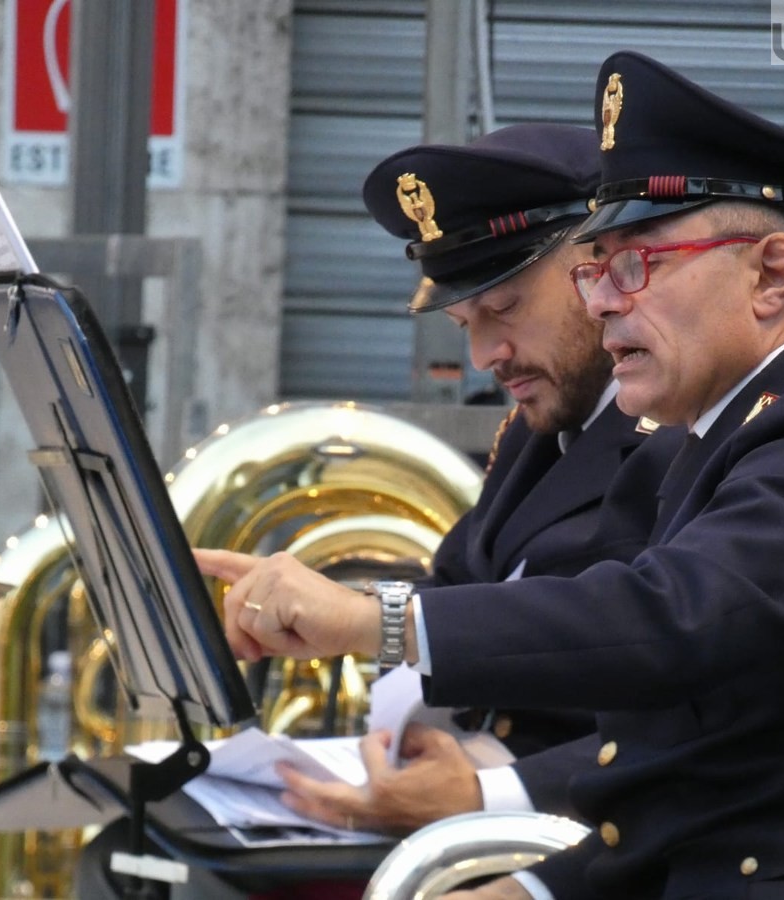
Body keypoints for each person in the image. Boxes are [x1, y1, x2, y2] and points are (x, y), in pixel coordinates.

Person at [198, 50, 784, 900]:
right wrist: (535, 891)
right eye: (594, 270)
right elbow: (679, 764)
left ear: (771, 274)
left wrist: (379, 621)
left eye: (636, 266)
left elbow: (668, 623)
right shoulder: (719, 437)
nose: (603, 302)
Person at [274, 122, 685, 837]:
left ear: (603, 270)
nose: (483, 355)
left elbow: (673, 698)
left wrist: (487, 789)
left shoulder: (679, 440)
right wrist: (321, 607)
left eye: (504, 309)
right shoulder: (540, 430)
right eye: (466, 319)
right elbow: (463, 587)